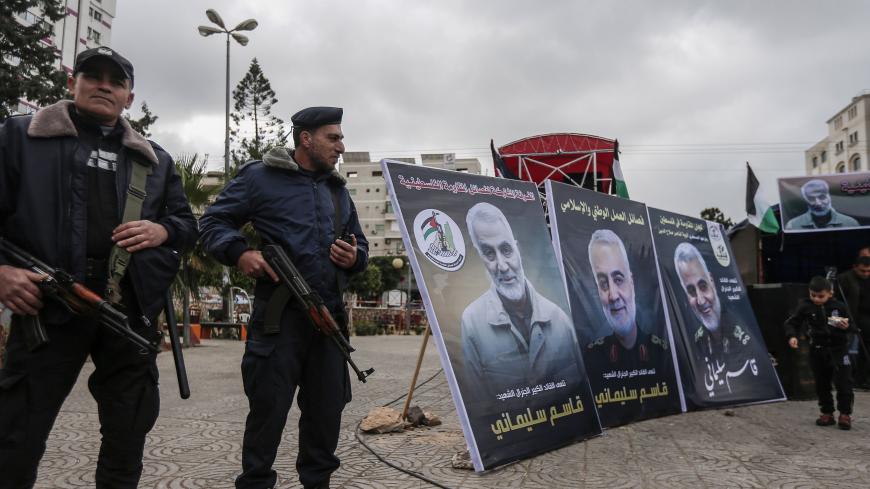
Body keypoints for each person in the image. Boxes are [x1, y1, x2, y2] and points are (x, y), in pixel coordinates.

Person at [0, 47, 197, 488]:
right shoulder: (19, 137)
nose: (103, 85)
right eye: (93, 76)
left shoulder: (155, 160)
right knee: (16, 437)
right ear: (73, 83)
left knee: (127, 437)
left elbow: (186, 224)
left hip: (126, 311)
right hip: (46, 309)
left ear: (129, 97)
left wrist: (162, 232)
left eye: (116, 80)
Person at [199, 106, 367, 489]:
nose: (341, 146)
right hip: (278, 323)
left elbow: (363, 247)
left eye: (341, 137)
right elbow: (212, 222)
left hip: (329, 323)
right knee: (267, 413)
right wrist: (240, 253)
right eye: (333, 137)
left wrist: (355, 257)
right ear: (305, 138)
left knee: (326, 415)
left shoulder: (337, 191)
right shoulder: (260, 178)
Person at [460, 202, 585, 402]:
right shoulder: (472, 322)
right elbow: (478, 404)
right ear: (481, 258)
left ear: (517, 250)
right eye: (489, 254)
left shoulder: (560, 320)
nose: (502, 266)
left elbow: (579, 392)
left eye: (506, 249)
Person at [674, 242, 755, 395]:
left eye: (703, 286)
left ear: (711, 281)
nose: (701, 300)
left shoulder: (743, 333)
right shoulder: (696, 342)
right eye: (691, 291)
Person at [584, 229, 668, 370]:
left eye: (618, 279)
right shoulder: (592, 360)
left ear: (632, 284)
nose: (613, 296)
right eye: (603, 283)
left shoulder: (663, 354)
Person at [785, 276, 854, 429]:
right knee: (822, 384)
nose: (817, 299)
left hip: (839, 349)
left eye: (821, 296)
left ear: (830, 293)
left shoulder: (840, 306)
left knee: (844, 382)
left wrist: (846, 326)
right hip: (817, 349)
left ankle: (845, 414)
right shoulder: (805, 306)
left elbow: (853, 327)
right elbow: (792, 323)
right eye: (813, 295)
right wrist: (792, 336)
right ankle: (827, 413)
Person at [837, 247, 870, 388]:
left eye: (869, 271)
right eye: (862, 271)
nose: (866, 274)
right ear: (854, 267)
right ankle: (858, 379)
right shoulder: (844, 278)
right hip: (854, 316)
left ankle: (863, 378)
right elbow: (837, 300)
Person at [785, 179, 859, 230]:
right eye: (811, 199)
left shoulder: (850, 223)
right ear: (805, 200)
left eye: (822, 197)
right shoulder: (793, 225)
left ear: (830, 196)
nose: (818, 203)